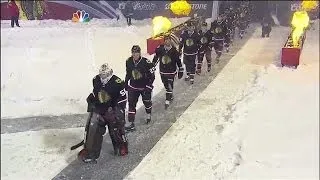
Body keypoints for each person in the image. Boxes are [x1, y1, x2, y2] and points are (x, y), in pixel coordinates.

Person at [78, 63, 128, 163]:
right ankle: (91, 152)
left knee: (116, 129)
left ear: (110, 73)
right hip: (100, 109)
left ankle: (121, 146)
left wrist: (117, 110)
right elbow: (95, 93)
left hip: (113, 110)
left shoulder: (118, 82)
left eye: (105, 74)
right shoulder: (96, 79)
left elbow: (123, 99)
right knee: (93, 129)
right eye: (102, 74)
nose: (103, 77)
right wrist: (91, 100)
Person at [125, 45, 155, 132]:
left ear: (140, 53)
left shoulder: (146, 62)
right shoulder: (128, 61)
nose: (135, 55)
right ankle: (131, 123)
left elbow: (152, 76)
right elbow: (128, 73)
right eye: (133, 53)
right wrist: (126, 83)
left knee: (147, 102)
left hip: (144, 87)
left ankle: (148, 114)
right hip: (133, 87)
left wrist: (149, 86)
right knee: (131, 104)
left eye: (137, 53)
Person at [153, 34, 184, 109]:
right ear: (164, 41)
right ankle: (170, 94)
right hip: (163, 71)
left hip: (171, 72)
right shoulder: (160, 49)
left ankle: (167, 99)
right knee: (166, 85)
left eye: (169, 39)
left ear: (170, 40)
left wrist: (180, 69)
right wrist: (152, 65)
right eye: (166, 40)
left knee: (170, 85)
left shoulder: (174, 50)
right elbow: (156, 58)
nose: (168, 41)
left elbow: (178, 61)